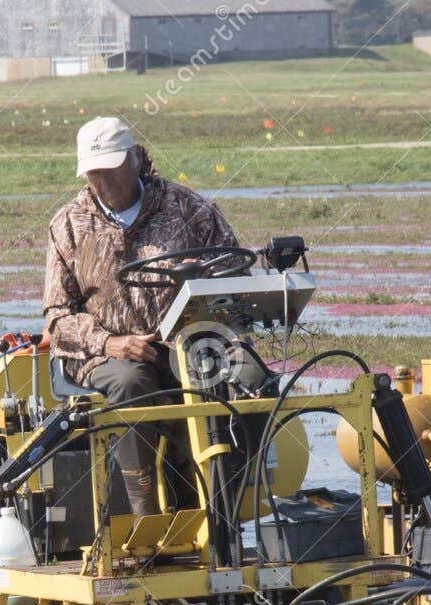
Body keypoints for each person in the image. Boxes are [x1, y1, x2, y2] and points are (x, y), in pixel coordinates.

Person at [44, 116, 267, 516]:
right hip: (108, 355)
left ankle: (224, 503)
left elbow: (235, 275)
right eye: (94, 174)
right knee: (132, 383)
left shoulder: (188, 208)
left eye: (111, 170)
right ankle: (146, 513)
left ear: (135, 159)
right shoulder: (68, 225)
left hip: (190, 343)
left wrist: (204, 283)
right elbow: (58, 318)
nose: (104, 183)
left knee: (252, 378)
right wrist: (110, 343)